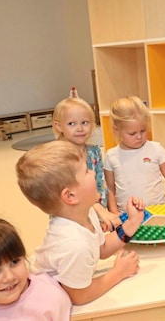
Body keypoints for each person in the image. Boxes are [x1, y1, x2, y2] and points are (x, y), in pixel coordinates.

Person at [16, 140, 145, 305]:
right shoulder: (74, 245)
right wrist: (118, 273)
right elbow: (80, 296)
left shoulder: (86, 212)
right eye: (86, 171)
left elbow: (102, 249)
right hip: (44, 301)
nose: (93, 173)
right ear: (70, 196)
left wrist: (131, 225)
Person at [104, 96, 165, 212]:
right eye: (132, 133)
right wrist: (114, 213)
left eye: (143, 130)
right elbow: (110, 189)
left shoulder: (156, 149)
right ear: (116, 130)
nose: (139, 137)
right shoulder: (112, 156)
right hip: (129, 216)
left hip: (159, 210)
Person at [53, 96, 122, 231]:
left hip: (95, 217)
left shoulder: (94, 152)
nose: (80, 128)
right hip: (70, 220)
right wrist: (100, 212)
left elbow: (100, 185)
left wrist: (103, 214)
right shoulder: (58, 156)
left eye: (85, 122)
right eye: (72, 124)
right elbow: (67, 195)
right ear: (59, 126)